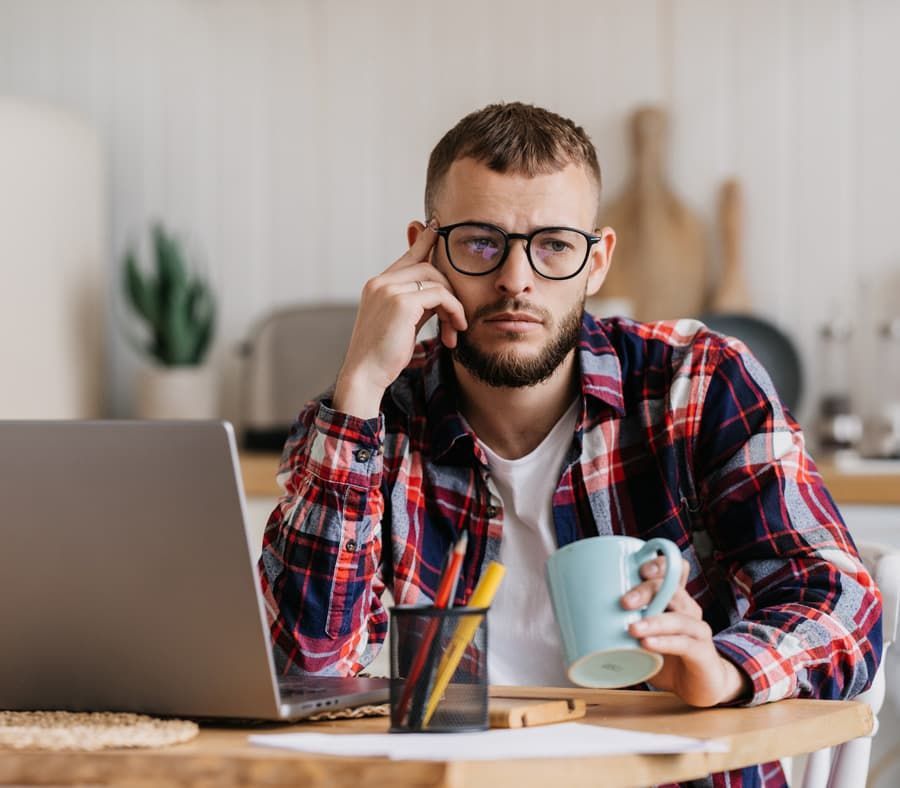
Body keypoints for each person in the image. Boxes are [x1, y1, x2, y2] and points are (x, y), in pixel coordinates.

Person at [259, 102, 881, 785]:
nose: (516, 280)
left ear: (597, 261)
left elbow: (840, 602)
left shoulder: (697, 381)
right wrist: (359, 389)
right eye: (479, 241)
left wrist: (726, 668)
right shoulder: (367, 420)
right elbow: (307, 669)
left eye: (553, 243)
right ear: (424, 251)